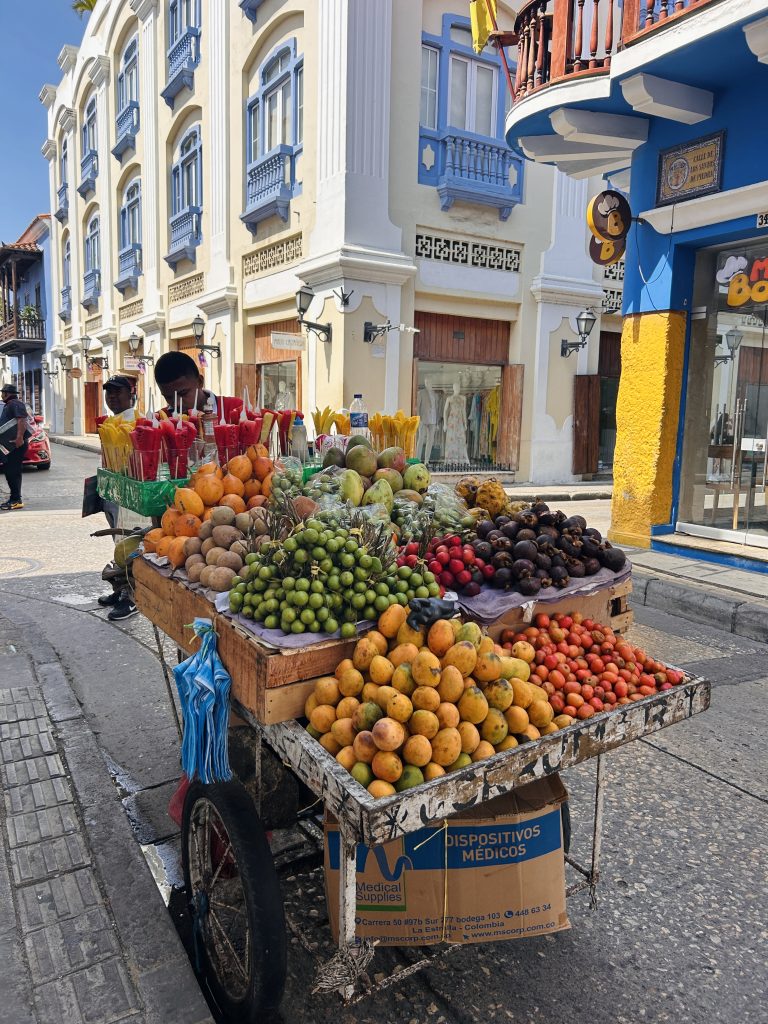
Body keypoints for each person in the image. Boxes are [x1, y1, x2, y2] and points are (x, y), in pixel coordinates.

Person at [98, 375, 139, 620]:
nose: (112, 397)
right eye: (109, 392)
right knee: (119, 544)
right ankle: (120, 587)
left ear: (130, 395)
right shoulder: (111, 422)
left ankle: (130, 596)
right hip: (113, 492)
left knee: (129, 545)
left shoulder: (135, 421)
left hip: (129, 495)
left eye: (117, 392)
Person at [153, 351, 242, 421]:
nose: (177, 403)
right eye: (168, 397)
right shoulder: (158, 420)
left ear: (200, 381)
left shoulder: (236, 408)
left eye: (183, 393)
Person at [0, 382, 32, 511]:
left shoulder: (15, 404)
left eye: (3, 393)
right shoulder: (10, 404)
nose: (2, 395)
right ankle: (14, 498)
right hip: (11, 445)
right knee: (9, 471)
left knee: (13, 471)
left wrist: (19, 438)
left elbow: (21, 420)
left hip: (16, 444)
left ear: (7, 394)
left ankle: (16, 500)